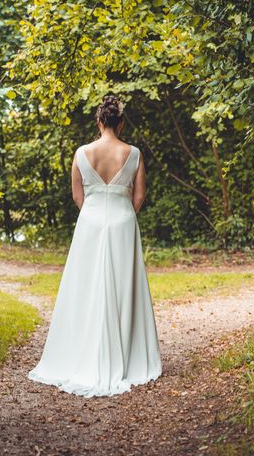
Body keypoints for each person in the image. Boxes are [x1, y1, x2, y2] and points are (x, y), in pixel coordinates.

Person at [27, 94, 162, 397]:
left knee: (86, 288)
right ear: (121, 123)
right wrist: (122, 213)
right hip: (123, 223)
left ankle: (81, 351)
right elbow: (138, 196)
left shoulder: (81, 153)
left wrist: (94, 215)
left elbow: (78, 196)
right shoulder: (134, 153)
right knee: (123, 287)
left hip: (89, 224)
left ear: (99, 121)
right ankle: (128, 356)